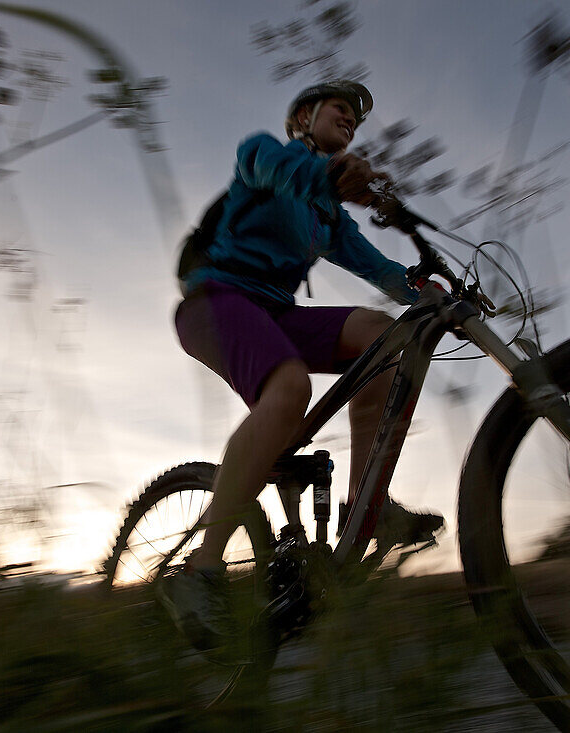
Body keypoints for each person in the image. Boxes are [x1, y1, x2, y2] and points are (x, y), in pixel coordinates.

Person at [158, 80, 444, 655]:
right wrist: (331, 176)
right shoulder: (265, 153)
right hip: (215, 302)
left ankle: (369, 507)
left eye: (355, 118)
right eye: (339, 109)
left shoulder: (326, 216)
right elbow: (278, 171)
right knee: (287, 387)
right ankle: (199, 574)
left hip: (275, 315)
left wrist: (430, 293)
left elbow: (379, 269)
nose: (350, 119)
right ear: (302, 119)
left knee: (384, 338)